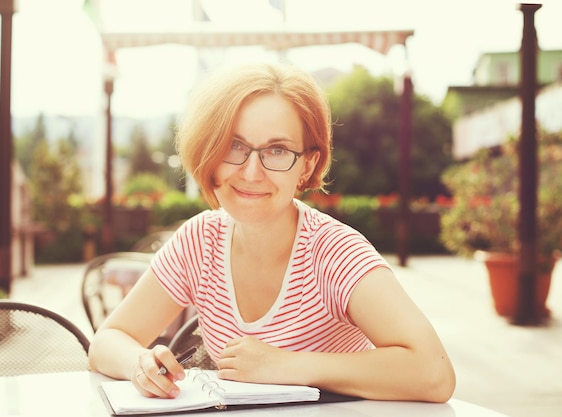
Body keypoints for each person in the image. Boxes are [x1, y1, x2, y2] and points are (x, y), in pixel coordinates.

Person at [88, 62, 456, 403]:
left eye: (277, 150)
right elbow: (106, 341)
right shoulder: (200, 241)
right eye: (234, 146)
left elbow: (434, 372)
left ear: (307, 164)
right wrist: (141, 363)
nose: (251, 172)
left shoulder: (333, 252)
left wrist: (288, 365)